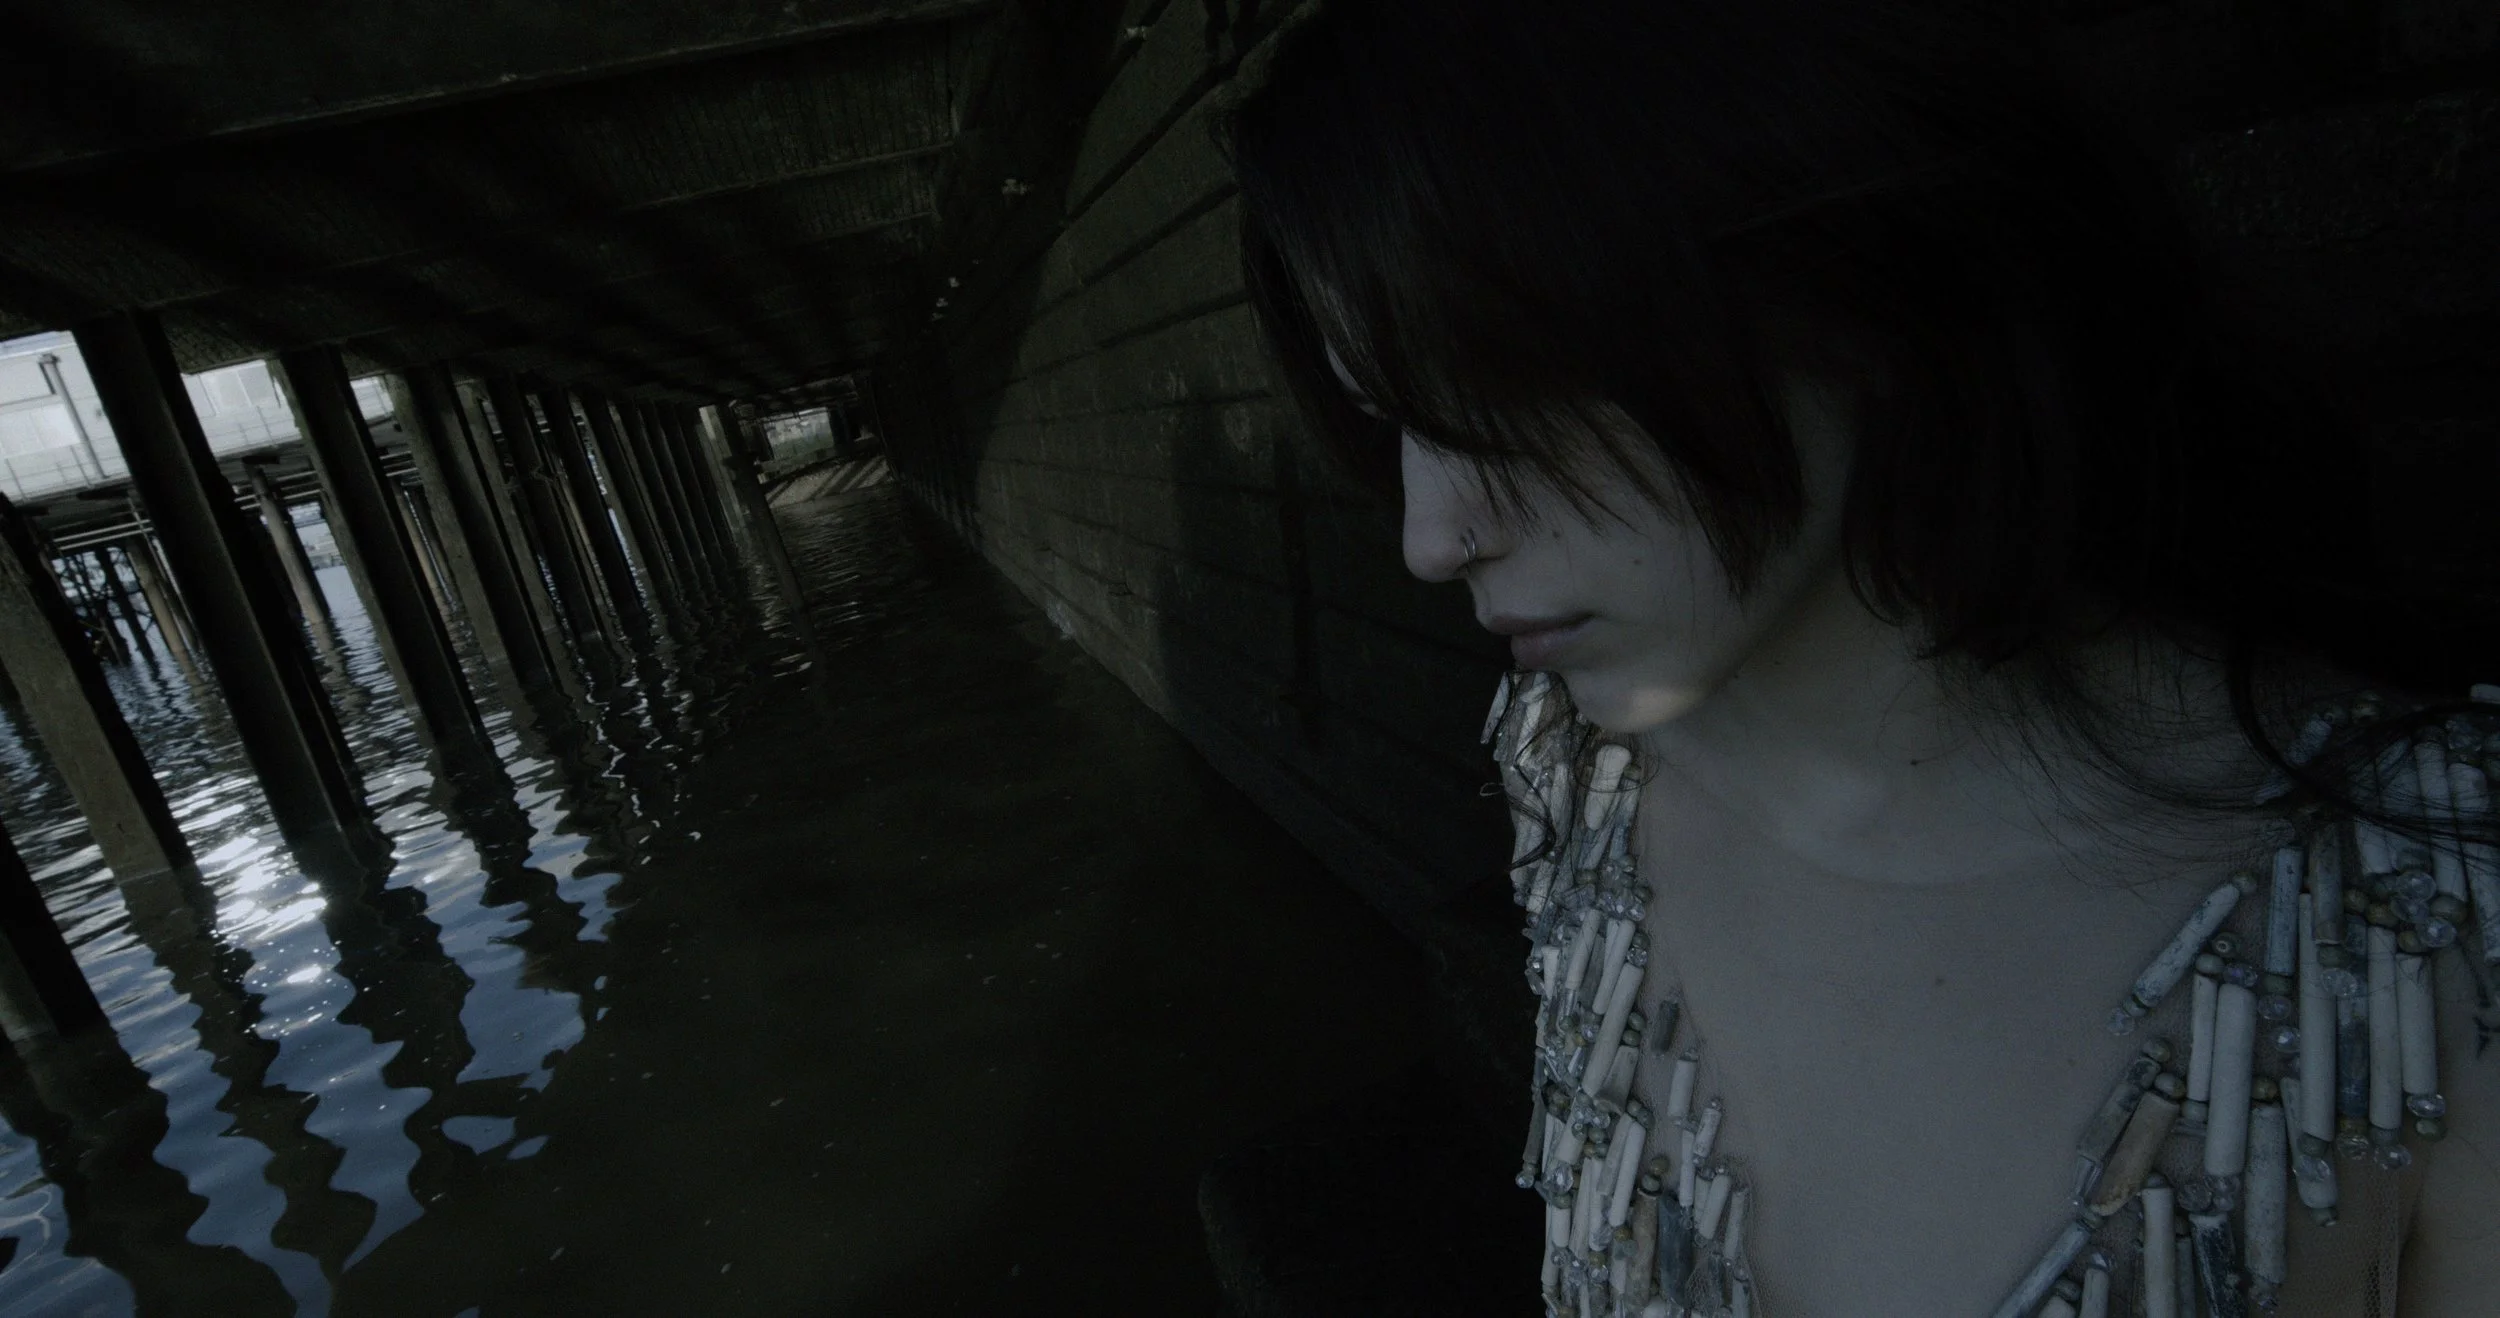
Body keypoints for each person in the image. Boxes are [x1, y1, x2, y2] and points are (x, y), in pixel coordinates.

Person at [1218, 2, 2500, 1313]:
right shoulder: (1573, 772)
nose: (1431, 535)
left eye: (1495, 389)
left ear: (1839, 264)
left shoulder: (2434, 913)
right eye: (1392, 417)